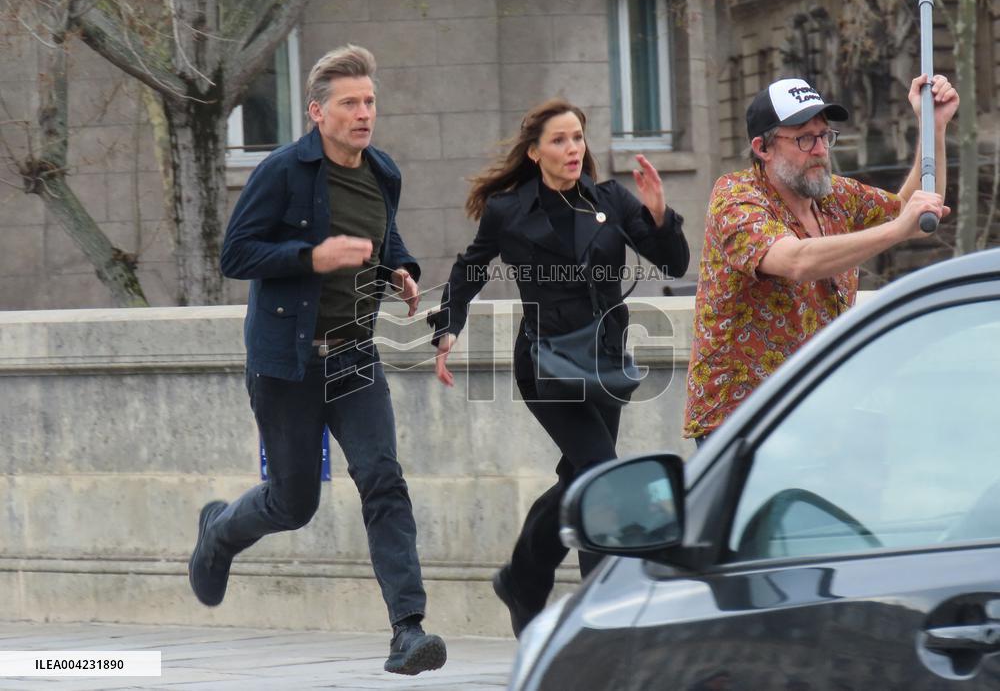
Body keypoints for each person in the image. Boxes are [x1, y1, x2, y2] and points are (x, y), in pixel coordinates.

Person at [188, 45, 447, 676]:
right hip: (287, 362)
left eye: (370, 101)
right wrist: (312, 257)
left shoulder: (383, 171)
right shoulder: (282, 171)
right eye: (350, 103)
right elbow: (236, 255)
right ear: (317, 112)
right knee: (294, 502)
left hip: (356, 356)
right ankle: (219, 531)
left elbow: (384, 240)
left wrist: (401, 270)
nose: (364, 113)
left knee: (383, 479)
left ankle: (407, 631)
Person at [429, 98, 689, 636]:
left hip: (606, 363)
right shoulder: (508, 210)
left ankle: (523, 579)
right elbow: (470, 268)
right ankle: (600, 619)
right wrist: (448, 326)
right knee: (599, 476)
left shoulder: (611, 199)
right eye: (560, 140)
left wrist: (660, 217)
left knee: (578, 476)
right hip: (546, 366)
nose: (573, 149)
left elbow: (674, 263)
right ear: (535, 152)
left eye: (578, 138)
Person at [683, 75, 958, 443]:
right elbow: (795, 261)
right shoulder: (735, 198)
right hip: (744, 424)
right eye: (804, 138)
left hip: (818, 410)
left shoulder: (832, 195)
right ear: (763, 148)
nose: (819, 150)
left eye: (824, 135)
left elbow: (917, 210)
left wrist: (933, 126)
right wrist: (896, 230)